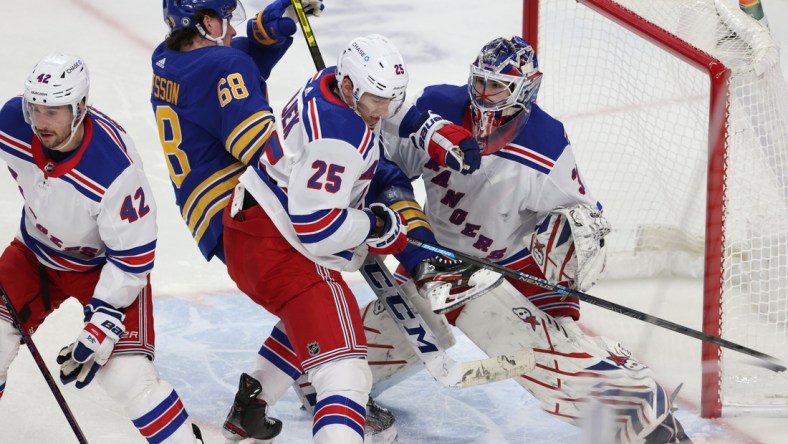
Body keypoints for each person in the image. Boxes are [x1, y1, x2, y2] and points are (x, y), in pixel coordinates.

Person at [362, 35, 693, 443]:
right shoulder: (438, 108)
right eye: (480, 82)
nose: (484, 94)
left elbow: (582, 228)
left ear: (525, 88)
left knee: (554, 357)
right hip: (438, 258)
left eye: (497, 86)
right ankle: (342, 388)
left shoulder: (548, 144)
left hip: (516, 263)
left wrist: (569, 252)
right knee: (387, 336)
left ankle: (645, 421)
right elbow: (386, 165)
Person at [220, 33, 485, 444]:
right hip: (283, 249)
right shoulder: (339, 138)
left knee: (308, 321)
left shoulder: (326, 81)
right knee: (346, 373)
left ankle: (251, 406)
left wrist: (429, 129)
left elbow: (386, 114)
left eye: (389, 99)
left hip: (249, 229)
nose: (383, 110)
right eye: (375, 100)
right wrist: (377, 227)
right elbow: (318, 228)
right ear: (348, 87)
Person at [0, 54, 203, 443]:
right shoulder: (14, 121)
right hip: (33, 255)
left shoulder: (114, 169)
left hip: (104, 269)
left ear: (80, 108)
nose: (41, 122)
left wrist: (102, 321)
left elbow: (133, 258)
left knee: (128, 377)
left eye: (54, 112)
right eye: (36, 108)